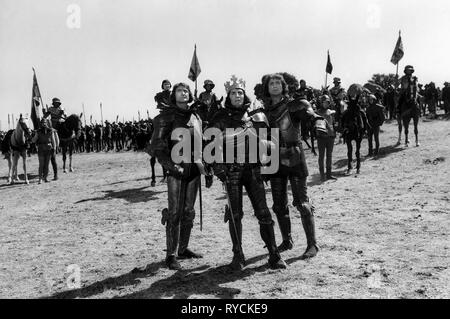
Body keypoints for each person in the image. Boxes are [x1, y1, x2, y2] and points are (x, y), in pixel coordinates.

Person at [208, 77, 287, 270]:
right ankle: (238, 255)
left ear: (245, 95)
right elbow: (210, 148)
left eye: (240, 92)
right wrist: (219, 170)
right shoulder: (220, 119)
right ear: (228, 96)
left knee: (264, 213)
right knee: (235, 216)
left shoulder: (256, 117)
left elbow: (273, 143)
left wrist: (263, 145)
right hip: (232, 172)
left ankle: (274, 254)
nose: (237, 96)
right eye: (233, 93)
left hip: (253, 170)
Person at [149, 82, 210, 270]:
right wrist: (172, 167)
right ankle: (171, 254)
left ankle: (183, 249)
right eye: (179, 91)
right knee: (174, 213)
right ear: (173, 95)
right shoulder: (165, 117)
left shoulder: (196, 116)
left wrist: (206, 169)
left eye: (185, 90)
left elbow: (202, 144)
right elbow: (157, 147)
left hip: (193, 170)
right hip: (176, 170)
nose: (183, 93)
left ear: (190, 94)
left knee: (188, 212)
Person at [262, 73, 321, 259]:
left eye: (278, 82)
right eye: (271, 83)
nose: (274, 85)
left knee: (302, 204)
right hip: (274, 159)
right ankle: (287, 240)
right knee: (279, 206)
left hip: (294, 156)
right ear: (267, 88)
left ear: (284, 86)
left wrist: (316, 120)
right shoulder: (264, 112)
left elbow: (310, 115)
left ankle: (312, 245)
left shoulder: (295, 105)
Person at [315, 95, 337, 181]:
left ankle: (328, 174)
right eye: (324, 102)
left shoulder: (331, 112)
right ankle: (322, 175)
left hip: (330, 136)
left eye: (327, 102)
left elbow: (333, 123)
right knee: (321, 156)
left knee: (329, 156)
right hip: (321, 137)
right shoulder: (317, 112)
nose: (326, 104)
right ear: (321, 103)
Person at [32, 118, 57, 184]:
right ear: (41, 124)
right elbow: (34, 140)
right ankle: (40, 179)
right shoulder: (38, 131)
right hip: (41, 149)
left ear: (47, 123)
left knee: (47, 164)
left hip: (48, 149)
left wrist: (54, 149)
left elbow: (53, 140)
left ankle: (45, 178)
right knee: (41, 164)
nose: (44, 124)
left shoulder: (50, 131)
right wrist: (33, 136)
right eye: (43, 123)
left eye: (45, 122)